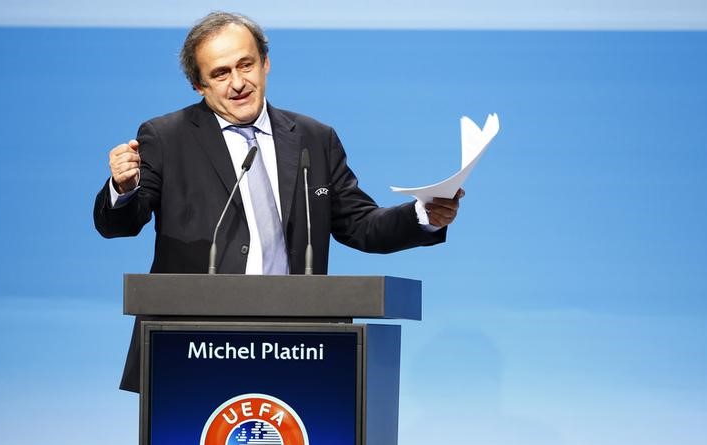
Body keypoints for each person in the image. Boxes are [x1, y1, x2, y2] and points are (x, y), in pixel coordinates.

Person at [94, 12, 464, 392]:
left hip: (296, 344)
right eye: (221, 74)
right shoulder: (166, 137)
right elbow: (120, 224)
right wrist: (123, 188)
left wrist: (424, 214)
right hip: (193, 345)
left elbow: (360, 225)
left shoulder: (313, 138)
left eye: (246, 65)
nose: (238, 83)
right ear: (198, 84)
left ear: (266, 63)